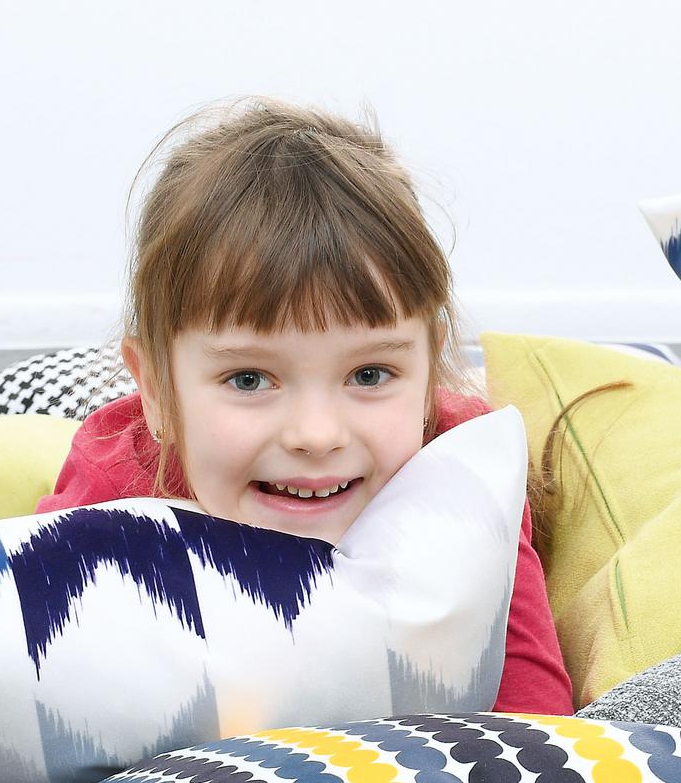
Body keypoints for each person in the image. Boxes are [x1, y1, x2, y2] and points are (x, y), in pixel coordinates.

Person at [41, 98, 573, 713]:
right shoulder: (114, 495)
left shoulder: (468, 471)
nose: (317, 435)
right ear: (157, 392)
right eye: (249, 380)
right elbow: (39, 691)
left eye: (369, 374)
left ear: (429, 374)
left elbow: (534, 726)